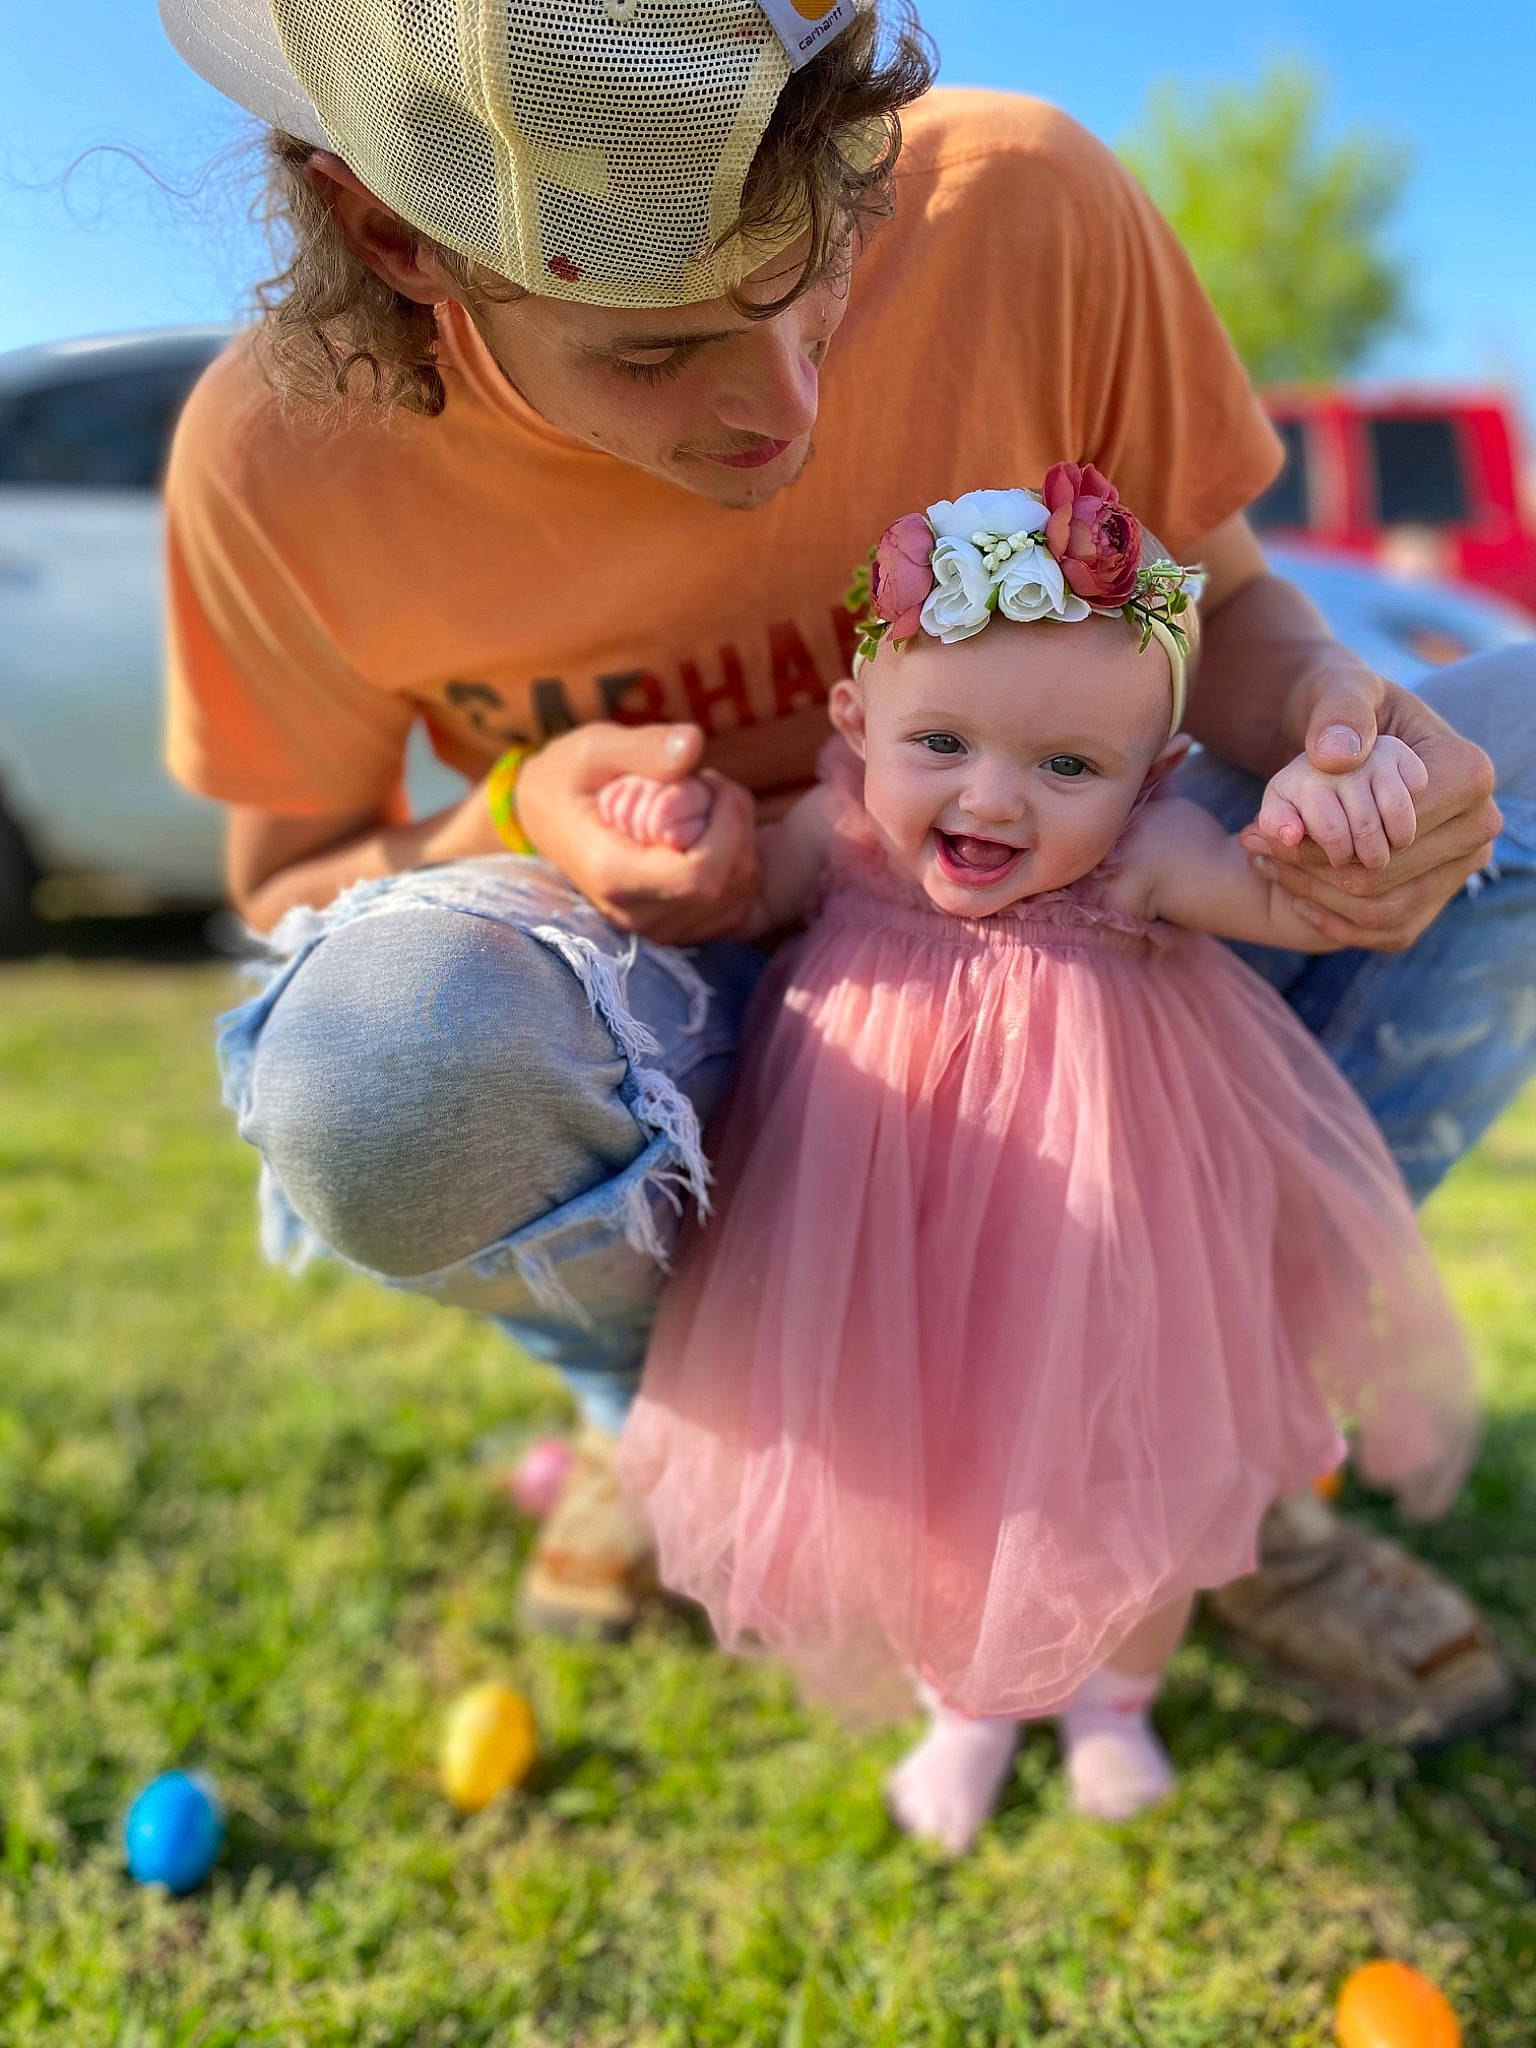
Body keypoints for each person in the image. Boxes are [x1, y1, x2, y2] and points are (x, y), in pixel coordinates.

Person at [158, 0, 1529, 1738]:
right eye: (653, 353)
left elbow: (1234, 603)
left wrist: (1346, 722)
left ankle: (1196, 1443)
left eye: (817, 274)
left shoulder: (1024, 204)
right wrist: (522, 810)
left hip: (1097, 975)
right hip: (681, 1032)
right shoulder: (279, 461)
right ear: (394, 235)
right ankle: (680, 1432)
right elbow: (298, 887)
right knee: (383, 1056)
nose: (783, 405)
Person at [603, 479, 1477, 1850]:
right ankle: (967, 1703)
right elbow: (745, 898)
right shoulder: (838, 834)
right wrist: (681, 839)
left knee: (1144, 1476)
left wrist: (1324, 815)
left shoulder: (1141, 856)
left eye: (1069, 767)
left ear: (1148, 776)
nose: (995, 798)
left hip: (1112, 1242)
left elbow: (1288, 909)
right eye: (941, 740)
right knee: (931, 1473)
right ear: (856, 726)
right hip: (888, 1234)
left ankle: (1115, 1705)